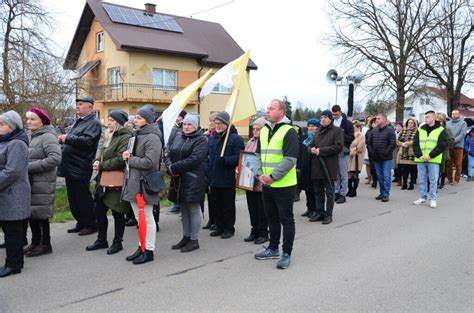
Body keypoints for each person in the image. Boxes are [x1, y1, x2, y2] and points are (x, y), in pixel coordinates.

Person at [254, 99, 299, 270]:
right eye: (267, 108)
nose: (267, 111)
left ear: (281, 112)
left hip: (284, 184)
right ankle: (273, 248)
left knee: (286, 219)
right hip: (267, 184)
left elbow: (290, 160)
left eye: (271, 109)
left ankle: (286, 252)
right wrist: (259, 174)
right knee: (271, 218)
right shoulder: (265, 130)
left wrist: (272, 176)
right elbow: (258, 154)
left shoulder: (290, 131)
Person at [86, 110, 133, 255]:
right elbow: (102, 153)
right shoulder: (107, 135)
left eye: (112, 120)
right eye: (109, 120)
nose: (109, 123)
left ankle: (117, 242)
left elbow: (120, 159)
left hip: (116, 180)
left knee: (117, 212)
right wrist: (96, 161)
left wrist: (102, 165)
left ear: (119, 122)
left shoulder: (125, 136)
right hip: (103, 179)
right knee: (99, 210)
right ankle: (101, 240)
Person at [121, 105, 162, 264]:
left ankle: (149, 250)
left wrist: (130, 159)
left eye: (138, 117)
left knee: (147, 218)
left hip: (144, 184)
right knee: (140, 219)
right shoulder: (137, 135)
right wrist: (127, 155)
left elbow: (151, 162)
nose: (134, 120)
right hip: (134, 182)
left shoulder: (152, 137)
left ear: (147, 120)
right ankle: (141, 246)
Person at [58, 96, 102, 236]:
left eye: (81, 104)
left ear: (90, 107)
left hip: (80, 165)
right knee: (73, 197)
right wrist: (64, 139)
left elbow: (88, 142)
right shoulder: (80, 121)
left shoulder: (93, 123)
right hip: (70, 164)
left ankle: (90, 223)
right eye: (77, 104)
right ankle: (81, 222)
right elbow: (75, 140)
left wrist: (68, 138)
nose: (78, 106)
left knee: (82, 196)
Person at [165, 113, 208, 252]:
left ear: (195, 126)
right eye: (185, 124)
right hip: (178, 179)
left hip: (193, 179)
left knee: (194, 209)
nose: (186, 127)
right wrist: (169, 165)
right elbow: (168, 152)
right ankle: (186, 237)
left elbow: (195, 159)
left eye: (190, 124)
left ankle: (194, 240)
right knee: (183, 209)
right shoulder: (179, 136)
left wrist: (173, 168)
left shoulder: (201, 140)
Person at [24, 108, 61, 257]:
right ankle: (35, 242)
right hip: (32, 180)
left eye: (33, 119)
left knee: (41, 214)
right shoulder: (31, 135)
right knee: (32, 212)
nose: (29, 122)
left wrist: (29, 167)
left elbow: (55, 158)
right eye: (28, 119)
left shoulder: (47, 136)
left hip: (43, 181)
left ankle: (46, 244)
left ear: (42, 121)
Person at [0, 111, 30, 277]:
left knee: (13, 232)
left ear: (13, 127)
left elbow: (12, 172)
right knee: (10, 230)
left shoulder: (17, 144)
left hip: (13, 194)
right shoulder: (5, 141)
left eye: (2, 124)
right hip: (5, 193)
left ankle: (14, 265)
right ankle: (14, 261)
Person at [205, 111, 244, 239]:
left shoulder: (235, 139)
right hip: (214, 177)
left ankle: (229, 228)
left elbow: (239, 158)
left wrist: (226, 160)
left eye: (220, 123)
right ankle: (219, 226)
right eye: (216, 123)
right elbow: (208, 156)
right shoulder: (213, 138)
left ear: (227, 124)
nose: (217, 125)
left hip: (226, 178)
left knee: (227, 205)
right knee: (216, 204)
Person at [308, 110, 344, 224]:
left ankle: (328, 215)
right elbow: (310, 145)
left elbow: (338, 147)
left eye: (325, 117)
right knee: (318, 191)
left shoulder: (337, 131)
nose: (322, 119)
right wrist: (311, 150)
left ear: (330, 119)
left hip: (329, 166)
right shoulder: (318, 131)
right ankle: (320, 212)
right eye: (321, 117)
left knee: (329, 192)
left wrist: (321, 151)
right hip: (317, 165)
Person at [413, 111, 448, 208]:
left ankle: (433, 199)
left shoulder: (441, 130)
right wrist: (419, 155)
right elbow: (415, 143)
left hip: (433, 159)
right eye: (425, 117)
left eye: (427, 117)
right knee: (421, 179)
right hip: (420, 159)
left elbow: (442, 145)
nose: (425, 119)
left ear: (433, 118)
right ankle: (422, 197)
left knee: (433, 180)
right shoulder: (420, 129)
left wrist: (430, 156)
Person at [241, 117, 268, 244]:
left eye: (259, 128)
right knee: (252, 207)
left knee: (261, 208)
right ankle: (254, 230)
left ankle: (263, 233)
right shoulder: (250, 141)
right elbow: (245, 157)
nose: (256, 131)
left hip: (260, 180)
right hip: (248, 180)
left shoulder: (266, 142)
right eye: (254, 128)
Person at [367, 113, 396, 202]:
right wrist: (371, 152)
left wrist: (385, 152)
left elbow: (392, 144)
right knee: (379, 176)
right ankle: (382, 193)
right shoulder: (373, 131)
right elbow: (369, 143)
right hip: (376, 158)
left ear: (384, 120)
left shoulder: (390, 130)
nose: (376, 120)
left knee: (386, 176)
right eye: (376, 119)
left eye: (378, 119)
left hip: (386, 158)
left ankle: (386, 194)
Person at [331, 105, 354, 204]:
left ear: (340, 112)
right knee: (335, 173)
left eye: (336, 114)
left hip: (343, 150)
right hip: (333, 149)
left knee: (343, 173)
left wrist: (340, 134)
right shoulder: (331, 122)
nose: (334, 116)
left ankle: (343, 193)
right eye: (333, 114)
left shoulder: (347, 123)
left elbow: (351, 137)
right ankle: (336, 191)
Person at [166, 110, 187, 214]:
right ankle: (176, 204)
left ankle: (181, 206)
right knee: (174, 184)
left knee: (182, 184)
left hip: (182, 160)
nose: (177, 118)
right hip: (173, 159)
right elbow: (169, 143)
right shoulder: (174, 129)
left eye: (179, 116)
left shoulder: (185, 129)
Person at [300, 118, 319, 218]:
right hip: (305, 165)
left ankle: (315, 209)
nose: (310, 128)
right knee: (307, 188)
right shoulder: (304, 137)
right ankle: (309, 208)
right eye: (309, 125)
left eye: (313, 126)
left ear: (317, 127)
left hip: (314, 166)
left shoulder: (318, 137)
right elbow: (300, 151)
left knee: (314, 189)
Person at [202, 112, 218, 230]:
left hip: (216, 172)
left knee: (216, 199)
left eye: (214, 121)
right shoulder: (207, 135)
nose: (211, 123)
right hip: (207, 171)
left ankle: (217, 220)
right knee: (210, 198)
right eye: (210, 120)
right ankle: (211, 219)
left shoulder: (221, 135)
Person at [446, 110, 467, 185]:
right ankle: (449, 179)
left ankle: (457, 179)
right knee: (449, 164)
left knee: (458, 164)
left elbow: (463, 134)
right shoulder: (447, 123)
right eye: (453, 114)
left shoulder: (463, 123)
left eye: (456, 114)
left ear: (459, 114)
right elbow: (446, 133)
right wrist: (449, 141)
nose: (454, 115)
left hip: (458, 146)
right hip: (449, 146)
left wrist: (453, 140)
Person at [397, 118, 418, 190]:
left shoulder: (417, 131)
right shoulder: (403, 131)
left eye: (412, 123)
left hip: (412, 153)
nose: (410, 124)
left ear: (414, 124)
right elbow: (397, 140)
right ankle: (404, 184)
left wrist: (407, 143)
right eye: (409, 123)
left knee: (412, 170)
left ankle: (411, 184)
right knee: (404, 169)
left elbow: (416, 141)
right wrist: (402, 144)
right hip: (403, 153)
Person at [347, 120, 365, 197]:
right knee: (349, 174)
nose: (352, 128)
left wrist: (350, 150)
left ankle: (354, 190)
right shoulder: (350, 135)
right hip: (349, 158)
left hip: (356, 157)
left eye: (354, 127)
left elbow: (359, 148)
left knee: (355, 174)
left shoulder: (361, 136)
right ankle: (350, 189)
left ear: (358, 127)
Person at [365, 117, 378, 188]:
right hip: (371, 152)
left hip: (379, 152)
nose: (374, 124)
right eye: (373, 123)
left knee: (378, 168)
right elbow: (367, 142)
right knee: (372, 167)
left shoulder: (380, 131)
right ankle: (374, 181)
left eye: (375, 123)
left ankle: (377, 180)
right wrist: (370, 150)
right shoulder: (368, 132)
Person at [362, 115, 373, 185]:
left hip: (373, 148)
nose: (369, 121)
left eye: (370, 120)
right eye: (368, 120)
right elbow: (363, 138)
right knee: (367, 165)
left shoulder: (374, 128)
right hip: (366, 148)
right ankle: (369, 178)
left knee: (372, 165)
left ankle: (373, 178)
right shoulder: (364, 128)